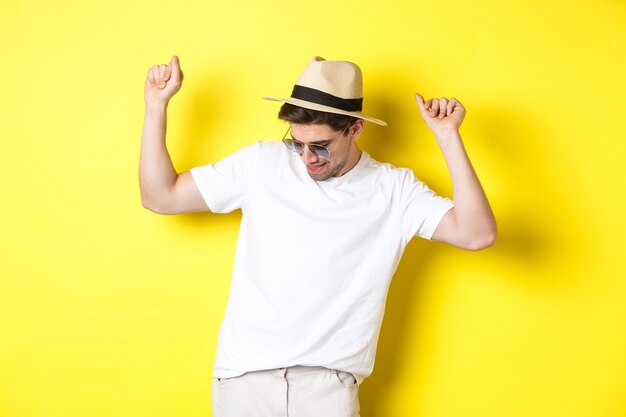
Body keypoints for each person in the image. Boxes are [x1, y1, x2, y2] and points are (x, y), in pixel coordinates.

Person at [140, 55, 497, 417]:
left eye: (321, 145)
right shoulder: (262, 163)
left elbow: (477, 234)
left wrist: (448, 138)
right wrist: (156, 106)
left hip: (327, 388)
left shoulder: (394, 189)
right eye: (297, 143)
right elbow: (160, 196)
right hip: (244, 381)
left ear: (355, 129)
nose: (307, 157)